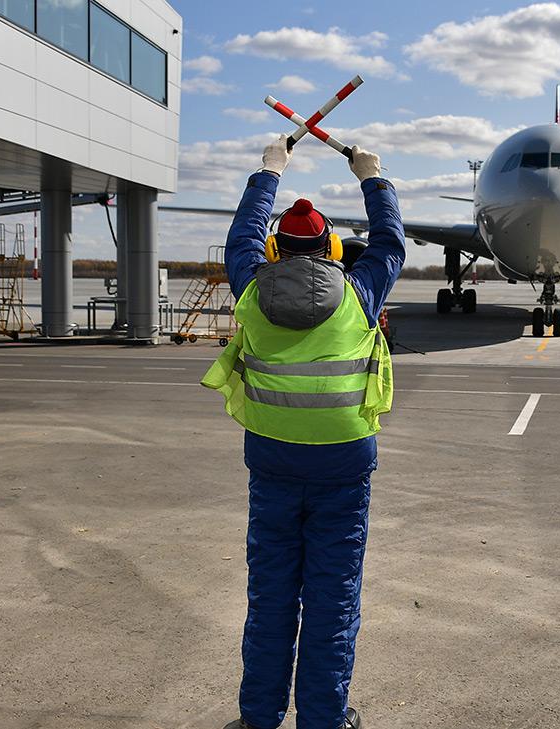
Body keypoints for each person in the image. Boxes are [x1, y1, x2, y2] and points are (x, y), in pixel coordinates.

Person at [203, 134, 405, 729]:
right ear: (332, 246)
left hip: (271, 461)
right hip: (344, 466)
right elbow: (391, 243)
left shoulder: (250, 290)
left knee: (270, 599)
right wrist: (374, 177)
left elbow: (240, 239)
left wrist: (269, 171)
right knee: (332, 599)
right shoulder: (359, 295)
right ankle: (325, 719)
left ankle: (257, 720)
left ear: (275, 248)